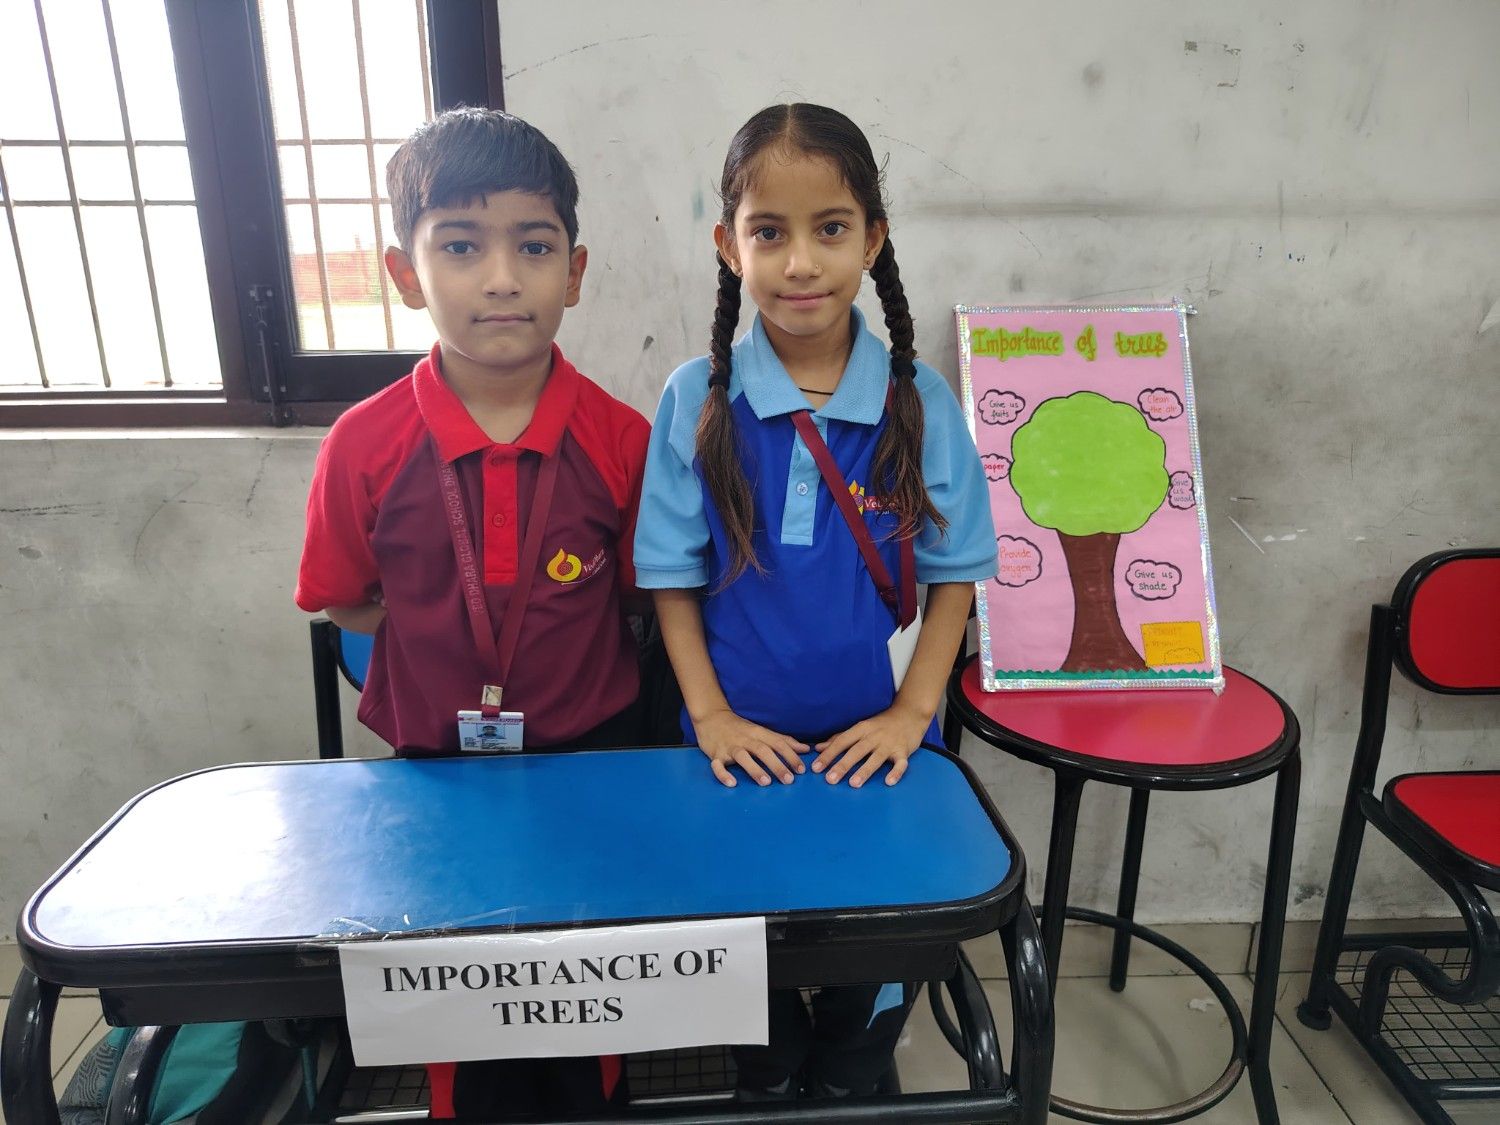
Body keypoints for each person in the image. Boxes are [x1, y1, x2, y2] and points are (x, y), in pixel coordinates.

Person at [634, 104, 999, 1100]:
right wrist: (711, 717)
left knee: (872, 978)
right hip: (728, 751)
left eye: (830, 228)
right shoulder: (695, 399)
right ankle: (770, 1072)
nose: (801, 263)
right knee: (741, 973)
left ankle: (847, 1075)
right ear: (729, 245)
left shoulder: (919, 401)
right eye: (770, 232)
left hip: (881, 757)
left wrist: (912, 714)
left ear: (873, 239)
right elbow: (670, 579)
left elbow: (956, 572)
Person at [294, 106, 645, 1119]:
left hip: (591, 761)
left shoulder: (623, 438)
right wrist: (436, 632)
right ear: (405, 275)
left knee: (586, 993)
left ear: (574, 273)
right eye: (459, 246)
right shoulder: (363, 443)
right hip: (432, 775)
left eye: (534, 246)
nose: (501, 278)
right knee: (460, 992)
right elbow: (343, 598)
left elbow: (637, 598)